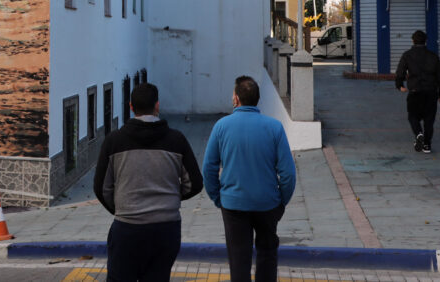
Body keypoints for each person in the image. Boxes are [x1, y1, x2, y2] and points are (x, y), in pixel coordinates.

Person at [94, 82, 203, 281]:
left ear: (131, 107)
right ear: (157, 106)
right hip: (166, 230)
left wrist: (121, 208)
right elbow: (194, 183)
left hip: (127, 229)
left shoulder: (114, 141)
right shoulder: (176, 140)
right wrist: (170, 197)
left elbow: (101, 188)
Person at [203, 76, 296, 282]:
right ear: (257, 99)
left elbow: (208, 169)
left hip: (233, 205)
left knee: (238, 261)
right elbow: (288, 173)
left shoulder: (221, 126)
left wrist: (218, 199)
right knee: (267, 256)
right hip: (267, 204)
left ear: (236, 99)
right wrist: (281, 201)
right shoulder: (275, 127)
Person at [395, 30, 440, 154]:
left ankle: (418, 133)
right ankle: (427, 145)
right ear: (426, 41)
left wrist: (400, 85)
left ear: (413, 41)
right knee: (429, 120)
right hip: (431, 92)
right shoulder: (433, 56)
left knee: (412, 116)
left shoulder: (407, 55)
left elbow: (400, 72)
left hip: (415, 91)